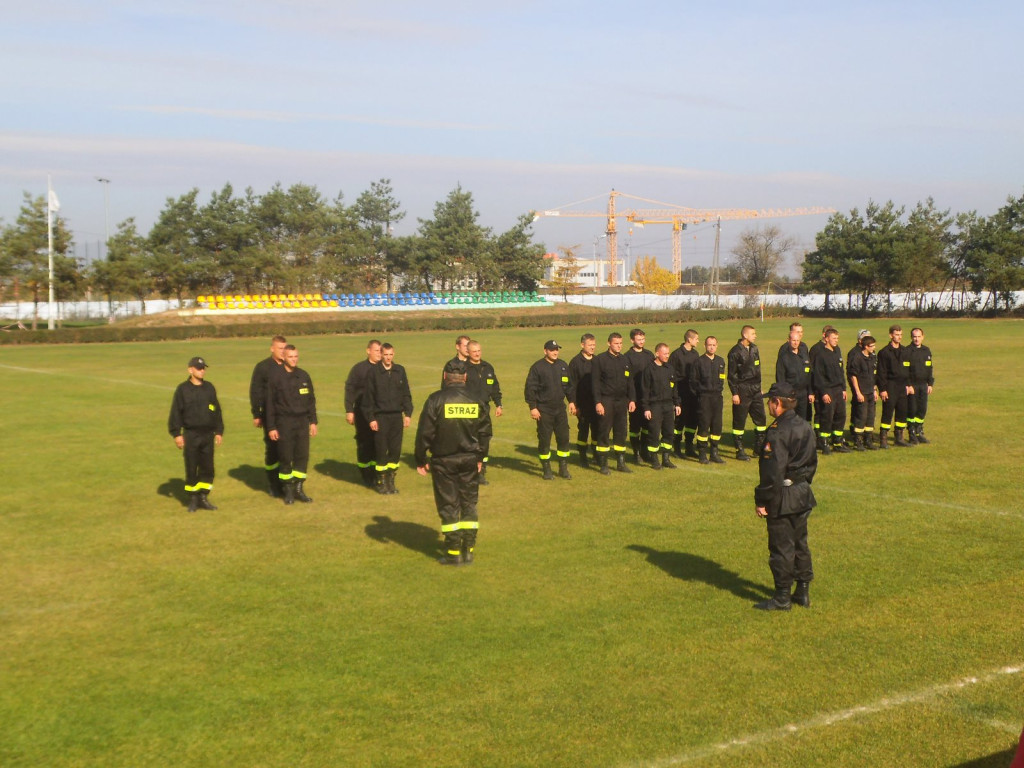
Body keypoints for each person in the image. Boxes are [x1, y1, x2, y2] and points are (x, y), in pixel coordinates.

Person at [415, 361, 493, 566]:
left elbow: (425, 433)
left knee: (449, 506)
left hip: (444, 461)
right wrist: (480, 458)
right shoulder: (476, 400)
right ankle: (469, 550)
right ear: (465, 378)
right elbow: (485, 432)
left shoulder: (435, 400)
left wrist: (420, 459)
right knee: (469, 504)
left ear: (445, 377)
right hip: (469, 460)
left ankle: (452, 553)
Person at [753, 381, 819, 611]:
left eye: (770, 401)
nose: (769, 406)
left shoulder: (777, 431)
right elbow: (812, 463)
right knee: (801, 543)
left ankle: (782, 597)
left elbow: (772, 473)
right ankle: (802, 592)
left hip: (783, 496)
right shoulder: (804, 425)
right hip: (802, 493)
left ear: (777, 402)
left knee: (782, 547)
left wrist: (762, 501)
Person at [169, 356, 224, 512]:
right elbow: (176, 413)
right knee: (192, 466)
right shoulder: (182, 389)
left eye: (203, 368)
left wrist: (219, 431)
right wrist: (176, 434)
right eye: (198, 368)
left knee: (207, 467)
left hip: (207, 434)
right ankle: (193, 498)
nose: (202, 371)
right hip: (191, 434)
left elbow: (216, 410)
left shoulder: (209, 388)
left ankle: (203, 497)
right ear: (190, 370)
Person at [266, 344, 318, 504]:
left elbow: (311, 401)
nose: (294, 360)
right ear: (284, 357)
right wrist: (272, 427)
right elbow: (269, 404)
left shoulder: (303, 376)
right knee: (286, 457)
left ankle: (298, 489)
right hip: (284, 422)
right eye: (291, 357)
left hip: (302, 422)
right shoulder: (275, 377)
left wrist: (313, 421)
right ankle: (288, 491)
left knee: (302, 456)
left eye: (296, 357)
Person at [363, 342, 414, 494]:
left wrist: (408, 414)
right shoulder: (373, 373)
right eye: (385, 355)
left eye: (390, 355)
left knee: (395, 450)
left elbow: (406, 394)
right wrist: (371, 418)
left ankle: (391, 481)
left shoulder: (400, 371)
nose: (388, 358)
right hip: (381, 417)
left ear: (394, 354)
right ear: (381, 355)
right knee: (381, 450)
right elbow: (368, 398)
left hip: (396, 417)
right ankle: (381, 481)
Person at [524, 340, 576, 479]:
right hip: (544, 410)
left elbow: (569, 386)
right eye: (552, 350)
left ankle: (563, 468)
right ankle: (546, 469)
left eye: (557, 349)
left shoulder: (563, 365)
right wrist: (533, 407)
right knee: (545, 440)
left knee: (564, 438)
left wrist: (572, 401)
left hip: (560, 409)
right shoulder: (537, 367)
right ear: (545, 351)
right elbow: (530, 389)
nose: (555, 352)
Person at [592, 332, 636, 474]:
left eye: (621, 343)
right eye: (616, 343)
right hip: (606, 400)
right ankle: (603, 464)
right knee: (604, 432)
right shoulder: (600, 360)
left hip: (621, 401)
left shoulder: (625, 360)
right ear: (609, 343)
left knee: (621, 432)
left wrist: (632, 399)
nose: (619, 346)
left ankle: (620, 463)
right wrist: (598, 402)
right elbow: (595, 384)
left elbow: (630, 382)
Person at [249, 335, 287, 497]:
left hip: (287, 415)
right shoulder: (263, 367)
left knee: (286, 449)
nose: (283, 352)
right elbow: (255, 391)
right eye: (280, 348)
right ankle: (273, 484)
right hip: (269, 415)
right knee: (272, 449)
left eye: (285, 348)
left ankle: (286, 484)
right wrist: (257, 414)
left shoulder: (289, 366)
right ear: (272, 348)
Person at [344, 339, 382, 488]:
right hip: (361, 412)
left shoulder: (384, 368)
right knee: (365, 443)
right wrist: (349, 410)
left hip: (379, 412)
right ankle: (366, 474)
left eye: (380, 350)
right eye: (376, 350)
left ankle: (377, 473)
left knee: (379, 443)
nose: (379, 354)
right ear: (368, 351)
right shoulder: (359, 369)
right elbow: (350, 390)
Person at [727, 325, 767, 461]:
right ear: (745, 335)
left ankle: (758, 447)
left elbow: (758, 369)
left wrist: (759, 387)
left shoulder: (755, 349)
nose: (755, 336)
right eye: (753, 333)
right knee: (739, 421)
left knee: (761, 419)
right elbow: (731, 375)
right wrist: (735, 393)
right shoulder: (734, 352)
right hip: (742, 389)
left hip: (755, 389)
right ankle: (739, 450)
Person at [465, 339, 502, 483]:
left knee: (484, 440)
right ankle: (469, 471)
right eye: (474, 351)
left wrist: (499, 404)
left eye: (479, 351)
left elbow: (495, 388)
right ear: (468, 352)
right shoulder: (463, 369)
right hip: (468, 411)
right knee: (469, 442)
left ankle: (481, 470)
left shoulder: (488, 367)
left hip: (484, 410)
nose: (477, 354)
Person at [640, 342, 681, 469]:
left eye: (668, 353)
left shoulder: (670, 368)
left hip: (668, 405)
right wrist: (646, 408)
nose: (667, 356)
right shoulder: (649, 370)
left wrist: (677, 403)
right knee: (654, 433)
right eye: (665, 353)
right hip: (654, 405)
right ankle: (654, 460)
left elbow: (674, 388)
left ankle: (666, 459)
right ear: (657, 353)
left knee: (669, 432)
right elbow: (645, 390)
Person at [811, 328, 849, 454]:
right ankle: (824, 443)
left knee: (841, 415)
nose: (836, 341)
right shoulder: (821, 355)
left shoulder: (837, 351)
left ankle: (838, 442)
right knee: (827, 416)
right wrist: (824, 392)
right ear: (826, 338)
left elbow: (841, 371)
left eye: (837, 338)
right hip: (827, 389)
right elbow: (818, 375)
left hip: (838, 389)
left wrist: (844, 388)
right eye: (833, 338)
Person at [691, 336, 726, 464]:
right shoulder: (699, 362)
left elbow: (722, 379)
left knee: (717, 425)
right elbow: (693, 382)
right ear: (705, 346)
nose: (711, 347)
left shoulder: (721, 361)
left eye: (714, 345)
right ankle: (702, 453)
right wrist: (700, 394)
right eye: (709, 345)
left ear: (717, 346)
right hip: (704, 398)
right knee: (704, 425)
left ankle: (714, 453)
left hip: (717, 397)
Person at [876, 324, 912, 448]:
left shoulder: (905, 351)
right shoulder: (884, 352)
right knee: (888, 412)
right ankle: (883, 439)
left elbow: (908, 370)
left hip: (902, 386)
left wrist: (908, 385)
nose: (899, 337)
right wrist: (883, 389)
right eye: (897, 335)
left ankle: (899, 437)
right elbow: (881, 373)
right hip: (890, 385)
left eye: (901, 335)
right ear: (891, 335)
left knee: (902, 411)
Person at [568, 333, 598, 468]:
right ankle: (582, 456)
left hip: (596, 403)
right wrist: (574, 403)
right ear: (582, 345)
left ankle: (597, 456)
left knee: (597, 430)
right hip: (582, 404)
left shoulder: (597, 361)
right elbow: (571, 385)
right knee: (584, 430)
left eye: (594, 345)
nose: (592, 348)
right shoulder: (575, 362)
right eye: (589, 345)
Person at [669, 329, 701, 458]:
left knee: (692, 421)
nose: (698, 341)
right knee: (679, 422)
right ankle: (676, 448)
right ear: (689, 339)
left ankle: (689, 447)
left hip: (693, 393)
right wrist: (675, 398)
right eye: (696, 339)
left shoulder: (696, 354)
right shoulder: (676, 355)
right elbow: (671, 377)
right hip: (681, 392)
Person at [625, 329, 655, 463]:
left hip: (647, 397)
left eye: (643, 339)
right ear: (632, 340)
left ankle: (644, 450)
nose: (641, 341)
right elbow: (628, 380)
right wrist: (631, 399)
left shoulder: (649, 355)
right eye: (639, 339)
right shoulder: (627, 357)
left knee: (647, 425)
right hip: (635, 397)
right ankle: (636, 452)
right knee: (635, 426)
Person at [847, 334, 879, 451]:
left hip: (871, 391)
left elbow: (874, 375)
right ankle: (857, 441)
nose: (874, 348)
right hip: (862, 392)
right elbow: (853, 377)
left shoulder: (872, 358)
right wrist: (858, 393)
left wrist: (875, 390)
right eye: (872, 346)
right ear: (865, 346)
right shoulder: (857, 358)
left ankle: (868, 440)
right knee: (861, 417)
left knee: (870, 417)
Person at [775, 330, 813, 423]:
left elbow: (809, 376)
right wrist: (785, 395)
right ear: (788, 340)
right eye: (793, 340)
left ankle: (801, 437)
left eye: (797, 340)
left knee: (802, 419)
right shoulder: (783, 357)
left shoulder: (804, 356)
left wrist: (811, 392)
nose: (796, 343)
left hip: (803, 393)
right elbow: (780, 378)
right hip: (790, 394)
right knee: (789, 419)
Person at [906, 327, 934, 444]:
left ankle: (919, 431)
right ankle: (911, 432)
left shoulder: (926, 351)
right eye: (914, 337)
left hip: (923, 385)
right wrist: (908, 385)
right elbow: (905, 370)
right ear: (911, 337)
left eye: (919, 336)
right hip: (912, 386)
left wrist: (930, 384)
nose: (916, 339)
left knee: (922, 410)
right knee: (912, 410)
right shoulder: (907, 351)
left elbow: (929, 368)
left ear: (923, 337)